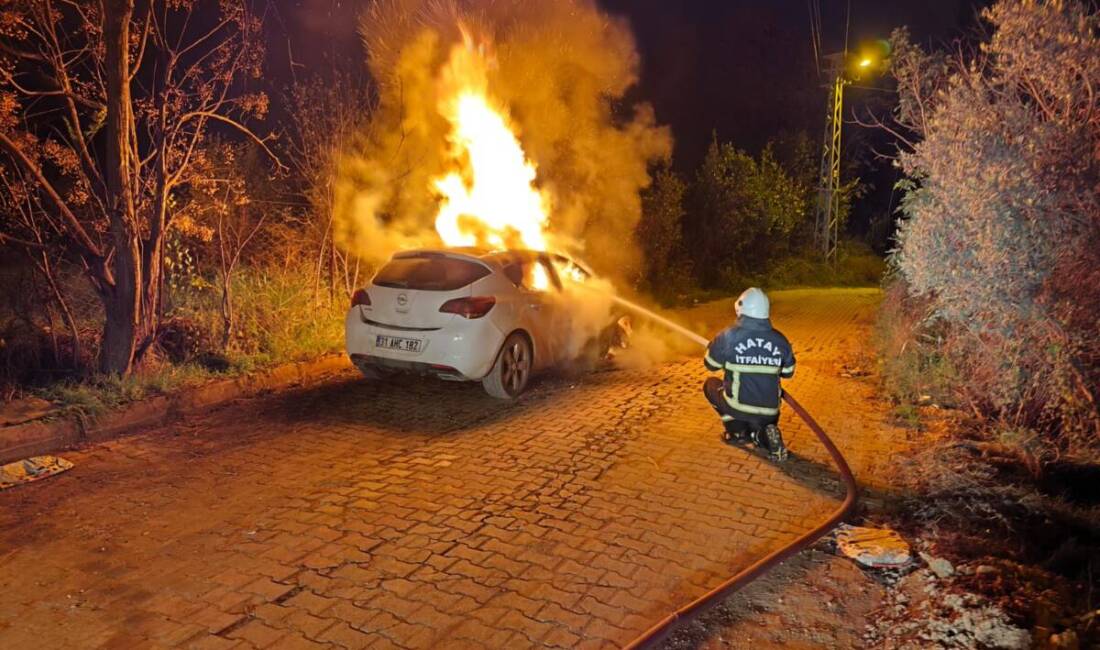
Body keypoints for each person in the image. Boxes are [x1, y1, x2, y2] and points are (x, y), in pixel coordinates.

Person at [703, 287, 795, 461]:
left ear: (741, 308)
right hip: (770, 412)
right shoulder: (780, 340)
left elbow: (710, 365)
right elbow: (788, 373)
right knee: (759, 430)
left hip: (739, 408)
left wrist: (715, 348)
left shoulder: (728, 336)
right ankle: (765, 435)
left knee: (710, 385)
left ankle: (736, 431)